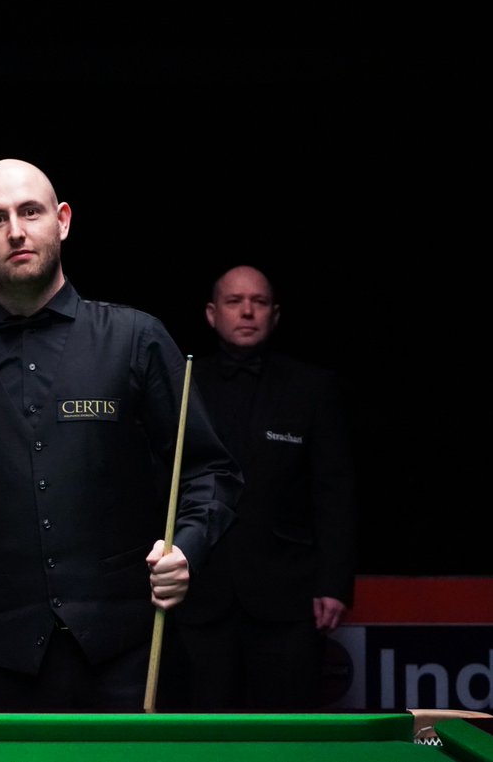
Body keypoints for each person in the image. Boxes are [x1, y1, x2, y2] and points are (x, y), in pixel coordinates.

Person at [0, 158, 244, 712]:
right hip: (1, 666)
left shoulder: (136, 339)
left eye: (31, 212)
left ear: (62, 220)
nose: (16, 230)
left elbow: (211, 471)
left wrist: (187, 549)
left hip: (130, 658)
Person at [172, 264, 356, 710]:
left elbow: (334, 490)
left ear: (275, 314)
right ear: (212, 314)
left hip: (287, 596)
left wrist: (334, 583)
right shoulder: (183, 384)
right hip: (200, 593)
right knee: (202, 733)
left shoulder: (312, 387)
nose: (247, 312)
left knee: (286, 734)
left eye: (259, 302)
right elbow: (163, 485)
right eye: (235, 302)